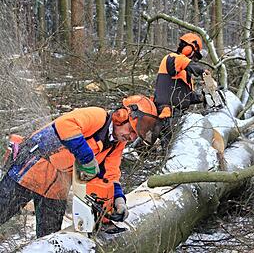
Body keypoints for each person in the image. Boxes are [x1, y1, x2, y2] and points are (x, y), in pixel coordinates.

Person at [0, 95, 158, 238]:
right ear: (121, 117)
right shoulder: (97, 116)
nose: (130, 137)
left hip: (57, 186)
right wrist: (87, 156)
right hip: (30, 169)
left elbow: (110, 174)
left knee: (50, 239)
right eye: (131, 130)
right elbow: (64, 125)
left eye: (134, 135)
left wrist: (118, 199)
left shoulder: (117, 144)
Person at [153, 32, 209, 145]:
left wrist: (203, 97)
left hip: (178, 114)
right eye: (195, 56)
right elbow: (185, 62)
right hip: (167, 112)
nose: (194, 60)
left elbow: (188, 96)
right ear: (188, 48)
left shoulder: (185, 73)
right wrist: (203, 72)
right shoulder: (171, 58)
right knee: (171, 146)